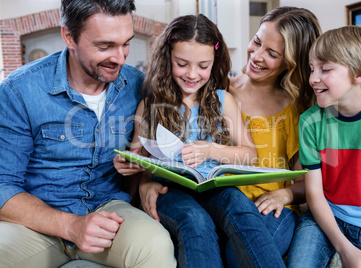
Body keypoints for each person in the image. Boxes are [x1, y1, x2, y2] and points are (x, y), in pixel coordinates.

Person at [0, 0, 176, 267]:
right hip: (34, 221)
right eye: (105, 46)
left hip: (108, 210)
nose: (119, 57)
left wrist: (146, 177)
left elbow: (153, 149)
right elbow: (3, 186)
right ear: (69, 36)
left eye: (126, 43)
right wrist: (72, 226)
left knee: (155, 245)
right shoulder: (18, 91)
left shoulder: (137, 85)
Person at [114, 14, 287, 267]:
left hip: (213, 184)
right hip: (169, 190)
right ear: (167, 59)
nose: (193, 74)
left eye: (203, 66)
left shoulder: (222, 100)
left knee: (241, 209)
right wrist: (134, 169)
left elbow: (250, 155)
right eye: (182, 64)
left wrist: (211, 150)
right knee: (194, 220)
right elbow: (138, 156)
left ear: (215, 62)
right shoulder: (150, 105)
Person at [287, 26, 361, 268]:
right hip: (325, 219)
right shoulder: (310, 121)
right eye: (311, 69)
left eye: (325, 69)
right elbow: (315, 195)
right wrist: (344, 248)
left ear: (360, 73)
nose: (313, 78)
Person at [226, 6, 321, 266]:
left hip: (271, 211)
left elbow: (306, 181)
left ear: (291, 62)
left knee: (238, 258)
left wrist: (285, 195)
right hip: (223, 204)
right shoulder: (221, 90)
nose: (256, 56)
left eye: (272, 53)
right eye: (256, 42)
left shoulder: (297, 108)